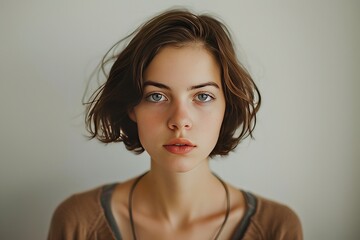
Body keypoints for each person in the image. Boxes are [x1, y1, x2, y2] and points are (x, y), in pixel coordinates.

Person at [48, 9, 302, 240]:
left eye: (202, 96)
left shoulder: (276, 227)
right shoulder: (78, 222)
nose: (180, 120)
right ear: (131, 107)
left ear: (227, 106)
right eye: (156, 96)